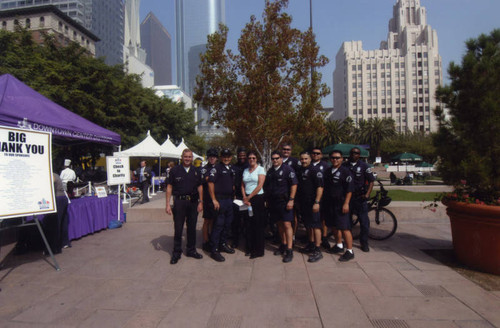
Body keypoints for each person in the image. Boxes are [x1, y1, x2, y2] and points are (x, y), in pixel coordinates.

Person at [165, 149, 204, 264]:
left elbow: (200, 187)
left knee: (192, 228)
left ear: (192, 158)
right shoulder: (175, 170)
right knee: (178, 228)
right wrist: (167, 204)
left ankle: (191, 250)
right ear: (182, 157)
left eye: (190, 157)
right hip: (179, 203)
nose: (187, 159)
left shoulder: (196, 171)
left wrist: (201, 202)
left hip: (193, 203)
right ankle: (176, 252)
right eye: (185, 157)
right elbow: (169, 187)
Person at [264, 150, 298, 263]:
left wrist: (291, 200)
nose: (275, 160)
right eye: (273, 158)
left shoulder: (288, 169)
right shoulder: (270, 171)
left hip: (285, 202)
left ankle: (289, 249)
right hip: (274, 202)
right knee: (279, 224)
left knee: (287, 224)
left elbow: (294, 184)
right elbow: (268, 187)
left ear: (281, 159)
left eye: (277, 158)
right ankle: (283, 244)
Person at [324, 150, 355, 261]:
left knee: (345, 227)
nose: (335, 160)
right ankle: (338, 245)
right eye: (333, 158)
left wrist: (346, 203)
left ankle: (350, 251)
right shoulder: (327, 171)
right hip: (330, 203)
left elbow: (349, 190)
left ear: (342, 159)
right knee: (334, 226)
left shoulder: (346, 172)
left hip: (341, 204)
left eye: (337, 158)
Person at [343, 147, 375, 252]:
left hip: (360, 197)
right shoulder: (344, 165)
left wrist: (367, 194)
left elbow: (371, 181)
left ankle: (364, 242)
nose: (354, 155)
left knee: (364, 222)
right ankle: (347, 241)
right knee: (346, 222)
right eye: (352, 153)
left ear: (359, 155)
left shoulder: (364, 166)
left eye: (356, 153)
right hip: (347, 198)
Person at [208, 148, 236, 262]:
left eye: (228, 156)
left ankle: (222, 244)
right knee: (218, 225)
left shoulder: (231, 169)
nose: (226, 158)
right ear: (221, 157)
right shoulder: (217, 168)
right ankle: (214, 250)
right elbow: (210, 183)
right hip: (220, 200)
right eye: (224, 156)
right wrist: (214, 199)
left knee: (227, 224)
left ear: (231, 157)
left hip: (229, 201)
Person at [296, 151, 324, 262]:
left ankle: (318, 250)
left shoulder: (315, 171)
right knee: (308, 225)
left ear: (310, 159)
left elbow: (320, 187)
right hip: (304, 203)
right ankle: (311, 244)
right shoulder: (301, 170)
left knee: (316, 226)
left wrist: (317, 202)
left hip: (313, 203)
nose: (303, 161)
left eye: (306, 159)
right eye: (302, 159)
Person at [241, 150, 266, 259]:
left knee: (258, 224)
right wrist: (244, 197)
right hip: (246, 199)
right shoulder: (245, 170)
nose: (251, 160)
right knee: (248, 224)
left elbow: (260, 185)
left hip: (257, 199)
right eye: (250, 158)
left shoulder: (261, 169)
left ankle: (258, 250)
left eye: (253, 158)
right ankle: (249, 248)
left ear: (256, 159)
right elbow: (242, 184)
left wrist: (249, 197)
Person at [311, 147, 331, 250]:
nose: (315, 155)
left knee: (323, 219)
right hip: (311, 197)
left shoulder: (326, 166)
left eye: (318, 153)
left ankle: (324, 237)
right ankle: (312, 240)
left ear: (321, 155)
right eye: (313, 153)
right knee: (313, 220)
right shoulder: (308, 165)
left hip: (324, 197)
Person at [201, 148, 218, 252]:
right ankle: (206, 241)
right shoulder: (204, 168)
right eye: (210, 156)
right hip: (207, 198)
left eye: (214, 156)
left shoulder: (219, 167)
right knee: (207, 220)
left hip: (218, 197)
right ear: (208, 157)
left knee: (214, 220)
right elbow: (202, 180)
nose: (212, 158)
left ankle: (212, 238)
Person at [231, 147, 249, 248]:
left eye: (243, 155)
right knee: (236, 221)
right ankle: (235, 241)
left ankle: (247, 242)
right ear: (237, 156)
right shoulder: (234, 167)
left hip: (247, 198)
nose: (242, 157)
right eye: (240, 155)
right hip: (237, 197)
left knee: (247, 220)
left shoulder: (249, 166)